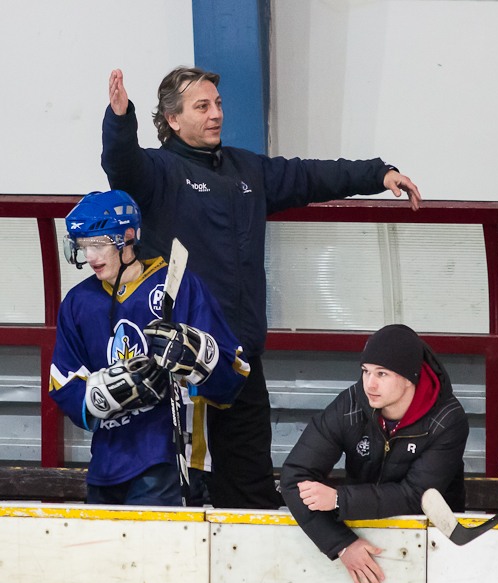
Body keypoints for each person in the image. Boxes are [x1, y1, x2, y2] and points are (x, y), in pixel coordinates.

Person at [101, 67, 422, 509]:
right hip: (181, 367)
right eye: (202, 106)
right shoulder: (158, 171)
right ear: (172, 120)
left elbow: (310, 176)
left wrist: (378, 175)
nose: (216, 114)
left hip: (240, 358)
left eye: (218, 104)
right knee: (178, 490)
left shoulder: (247, 169)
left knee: (249, 489)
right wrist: (120, 120)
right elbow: (121, 165)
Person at [48, 190, 248, 505]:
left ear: (128, 237)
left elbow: (233, 378)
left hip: (168, 455)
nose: (91, 256)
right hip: (106, 463)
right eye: (84, 246)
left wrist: (199, 358)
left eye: (98, 244)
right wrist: (101, 394)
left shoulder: (179, 286)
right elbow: (63, 383)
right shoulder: (77, 302)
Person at [280, 324, 468, 583]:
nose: (370, 384)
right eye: (365, 371)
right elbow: (293, 477)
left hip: (433, 548)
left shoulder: (447, 420)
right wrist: (342, 544)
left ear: (409, 378)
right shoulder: (350, 405)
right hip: (361, 539)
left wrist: (338, 499)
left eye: (382, 373)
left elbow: (417, 496)